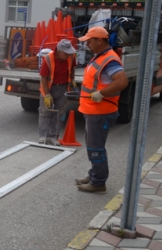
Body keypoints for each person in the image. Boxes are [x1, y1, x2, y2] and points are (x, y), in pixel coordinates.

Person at [75, 27, 128, 194]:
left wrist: (101, 93)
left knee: (96, 147)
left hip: (101, 110)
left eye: (89, 41)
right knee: (93, 146)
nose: (87, 44)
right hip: (93, 110)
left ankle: (98, 183)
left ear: (99, 40)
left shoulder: (110, 60)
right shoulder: (101, 57)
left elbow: (121, 82)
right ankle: (94, 175)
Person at [38, 39, 77, 146]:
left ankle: (53, 137)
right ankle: (43, 136)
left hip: (63, 88)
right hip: (49, 88)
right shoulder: (48, 59)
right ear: (59, 51)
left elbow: (72, 68)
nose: (68, 55)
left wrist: (72, 79)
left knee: (59, 113)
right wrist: (46, 94)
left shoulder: (71, 56)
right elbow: (43, 78)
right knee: (45, 112)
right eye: (66, 53)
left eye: (69, 53)